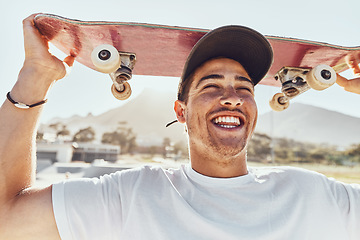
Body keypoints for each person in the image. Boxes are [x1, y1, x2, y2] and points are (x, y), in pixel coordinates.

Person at [0, 14, 360, 240]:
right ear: (181, 111)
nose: (232, 97)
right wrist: (36, 76)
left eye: (244, 88)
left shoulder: (314, 194)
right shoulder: (130, 196)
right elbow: (7, 219)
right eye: (211, 86)